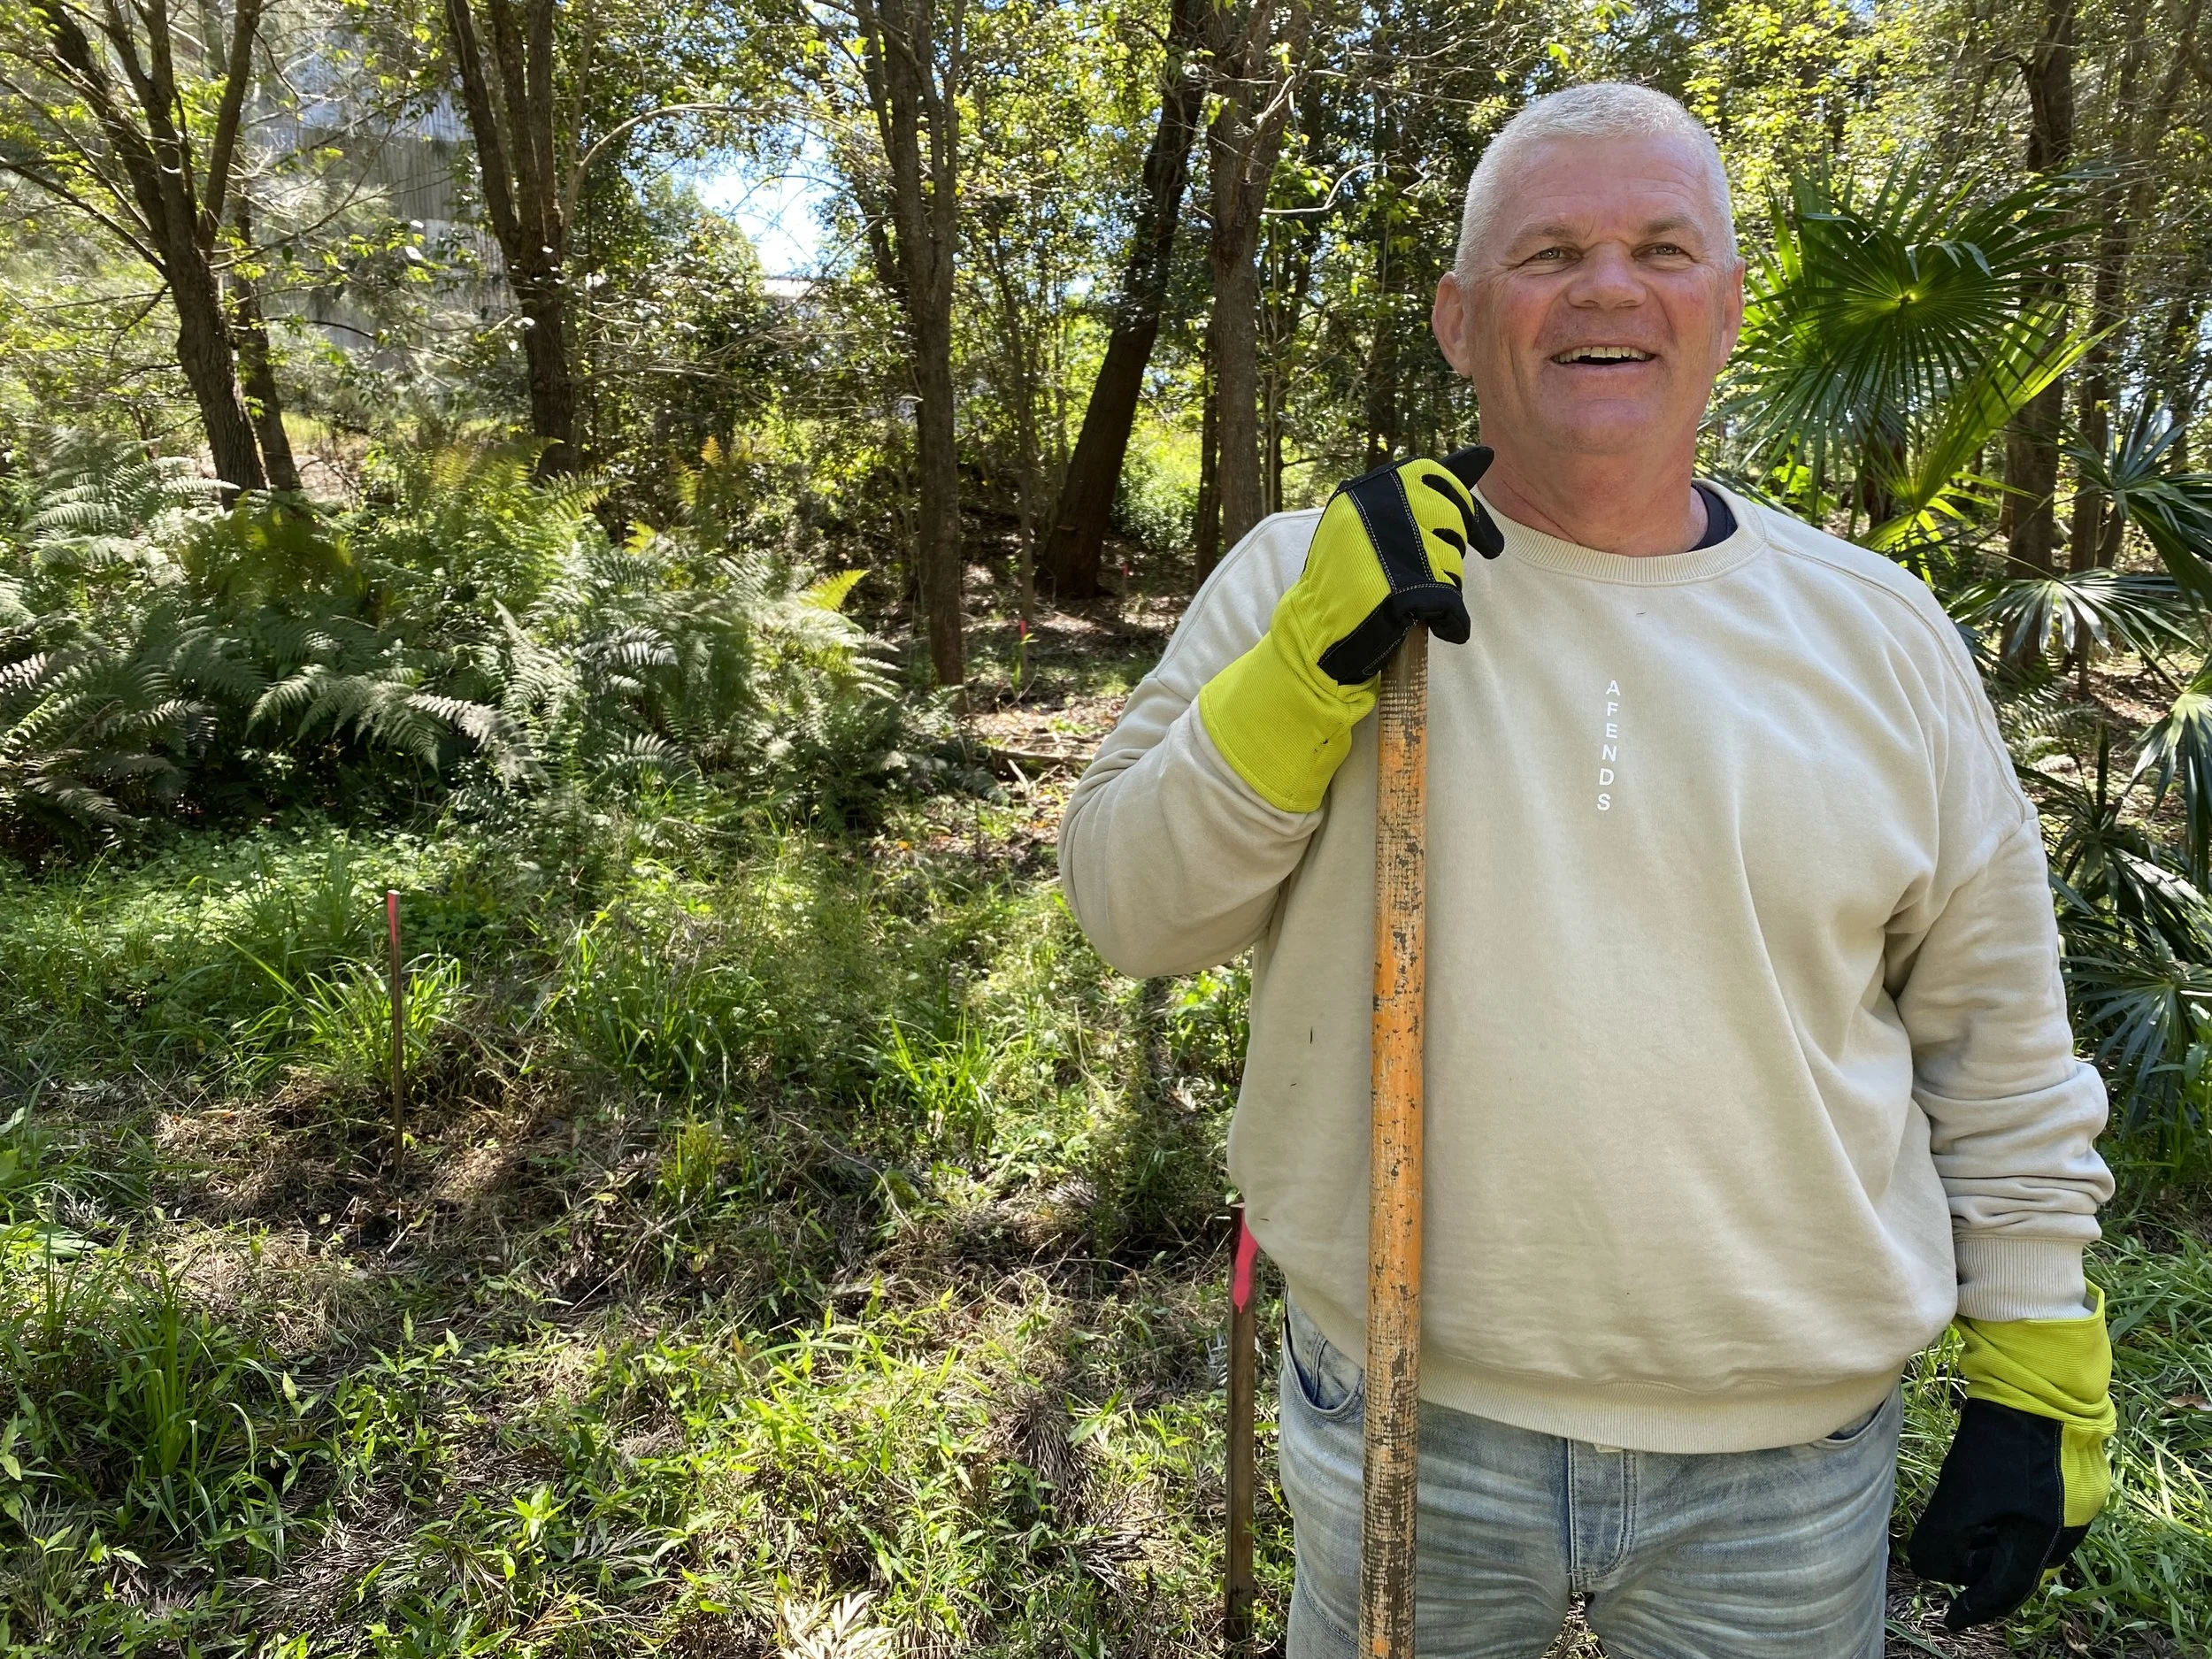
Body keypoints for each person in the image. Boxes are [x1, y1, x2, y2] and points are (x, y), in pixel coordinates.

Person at [1058, 82, 2117, 1657]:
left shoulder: (1880, 630)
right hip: (1407, 1411)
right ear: (1460, 318)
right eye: (1549, 252)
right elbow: (1129, 910)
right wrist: (1299, 677)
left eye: (1659, 246)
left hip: (1784, 1458)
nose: (1607, 287)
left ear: (1728, 307)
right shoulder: (1308, 573)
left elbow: (1994, 1020)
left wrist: (2036, 1341)